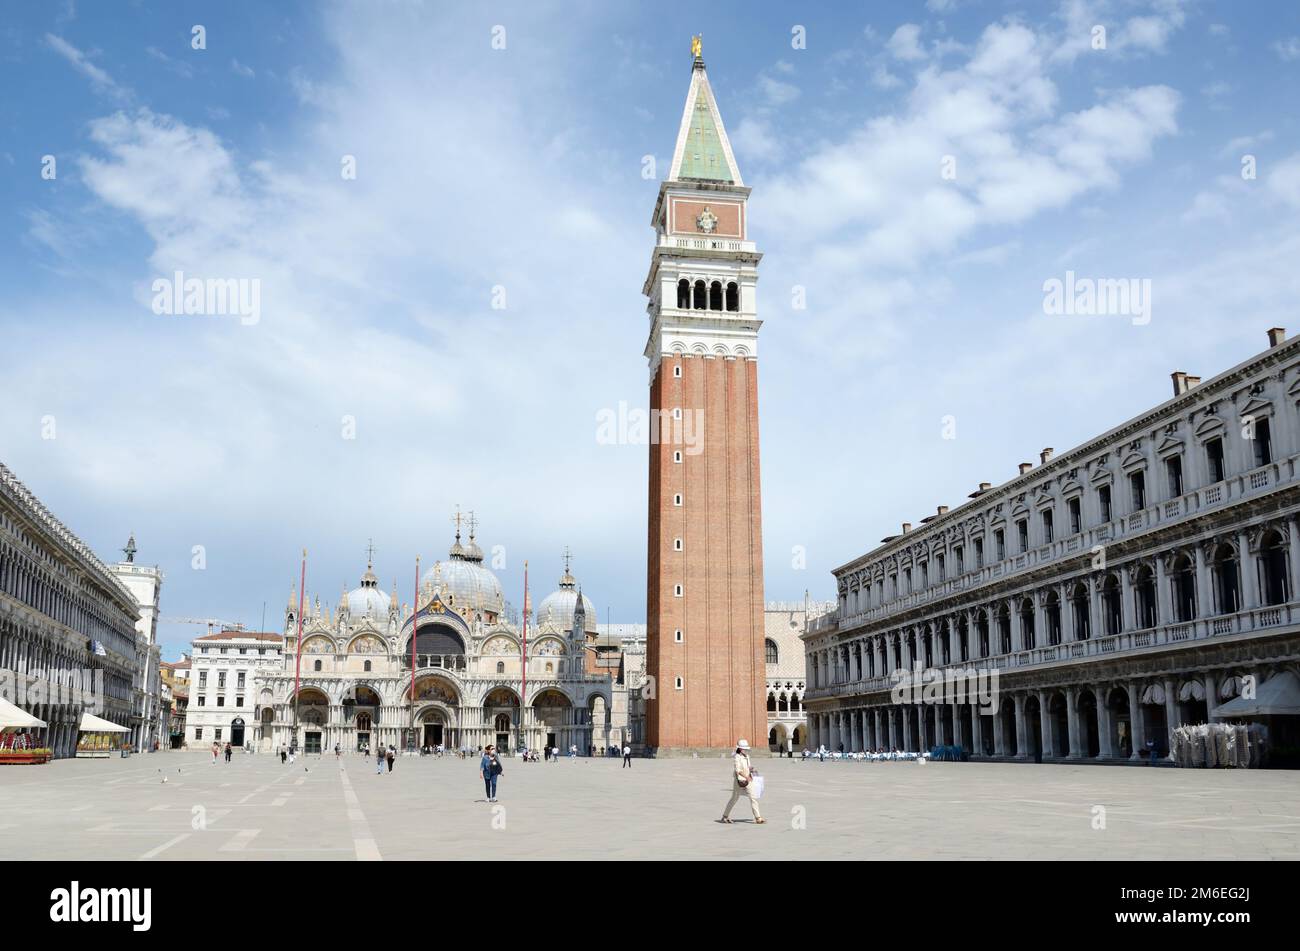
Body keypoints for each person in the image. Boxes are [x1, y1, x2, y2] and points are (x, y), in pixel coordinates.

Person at [720, 739, 764, 824]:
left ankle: (758, 817)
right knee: (734, 799)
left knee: (753, 797)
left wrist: (750, 769)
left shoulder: (747, 756)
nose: (746, 750)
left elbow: (747, 767)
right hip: (739, 781)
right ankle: (725, 816)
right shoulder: (737, 757)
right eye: (744, 748)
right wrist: (746, 777)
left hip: (748, 779)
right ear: (740, 749)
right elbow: (738, 770)